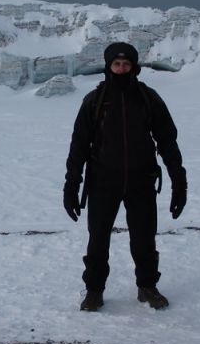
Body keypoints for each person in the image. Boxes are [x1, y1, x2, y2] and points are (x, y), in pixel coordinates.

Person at [64, 42, 187, 312]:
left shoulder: (147, 97)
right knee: (97, 239)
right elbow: (79, 145)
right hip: (102, 181)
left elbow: (167, 140)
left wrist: (179, 179)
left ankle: (147, 287)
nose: (121, 68)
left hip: (141, 180)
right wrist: (72, 185)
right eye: (116, 64)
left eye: (126, 64)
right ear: (108, 66)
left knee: (144, 238)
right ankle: (94, 290)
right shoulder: (94, 101)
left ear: (134, 67)